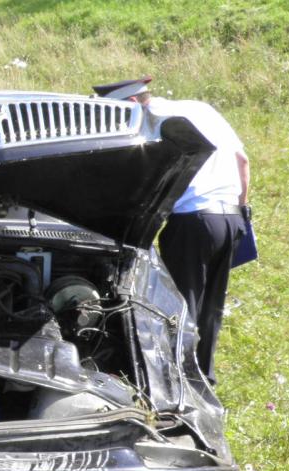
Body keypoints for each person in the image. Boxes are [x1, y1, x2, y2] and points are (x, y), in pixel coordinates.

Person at [95, 77, 251, 385]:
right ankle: (204, 378)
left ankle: (179, 381)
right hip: (231, 217)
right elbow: (242, 161)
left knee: (181, 307)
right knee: (211, 308)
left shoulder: (152, 122)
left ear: (130, 104)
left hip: (192, 221)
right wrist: (243, 212)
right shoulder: (200, 109)